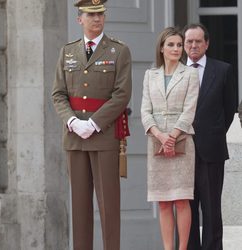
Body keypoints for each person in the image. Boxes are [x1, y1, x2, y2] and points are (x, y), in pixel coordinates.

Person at [51, 0, 132, 249]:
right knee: (80, 206)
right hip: (75, 138)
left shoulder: (118, 51)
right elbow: (58, 94)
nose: (97, 19)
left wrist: (94, 123)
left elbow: (122, 94)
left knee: (109, 206)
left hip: (104, 137)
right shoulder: (67, 51)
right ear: (80, 19)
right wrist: (73, 121)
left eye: (101, 14)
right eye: (91, 14)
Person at [141, 27, 199, 250]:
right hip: (156, 141)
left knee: (181, 200)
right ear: (162, 48)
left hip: (182, 140)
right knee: (163, 202)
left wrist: (172, 136)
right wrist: (159, 135)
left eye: (178, 45)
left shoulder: (190, 74)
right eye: (171, 45)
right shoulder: (150, 75)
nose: (176, 49)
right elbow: (145, 111)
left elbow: (189, 110)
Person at [183, 23, 236, 250]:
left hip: (211, 151)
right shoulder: (174, 70)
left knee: (212, 210)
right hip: (181, 151)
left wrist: (211, 134)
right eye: (189, 41)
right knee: (187, 210)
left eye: (198, 41)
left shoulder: (223, 70)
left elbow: (229, 108)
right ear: (184, 45)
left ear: (207, 43)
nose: (193, 45)